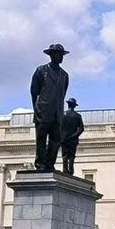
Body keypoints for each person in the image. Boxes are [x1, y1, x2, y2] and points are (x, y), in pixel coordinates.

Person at [30, 43, 70, 171]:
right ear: (52, 55)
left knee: (55, 140)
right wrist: (36, 108)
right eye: (59, 54)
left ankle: (49, 163)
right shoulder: (41, 70)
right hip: (43, 110)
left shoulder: (65, 75)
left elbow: (63, 93)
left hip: (57, 113)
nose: (61, 57)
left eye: (62, 55)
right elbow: (34, 91)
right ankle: (40, 163)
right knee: (41, 138)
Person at [61, 98, 85, 175]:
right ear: (74, 106)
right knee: (71, 155)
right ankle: (71, 171)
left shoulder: (63, 115)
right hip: (73, 139)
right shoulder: (78, 116)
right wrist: (75, 135)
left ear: (68, 105)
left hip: (64, 138)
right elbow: (81, 129)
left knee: (65, 155)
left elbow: (59, 126)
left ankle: (65, 169)